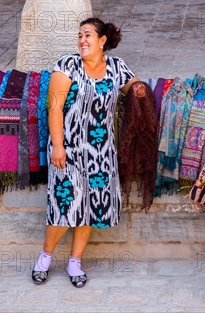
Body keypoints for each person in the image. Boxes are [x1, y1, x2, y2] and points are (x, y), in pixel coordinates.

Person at [32, 18, 138, 288]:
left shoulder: (116, 67)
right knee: (65, 204)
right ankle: (45, 257)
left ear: (103, 41)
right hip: (68, 148)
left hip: (102, 151)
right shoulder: (68, 65)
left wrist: (146, 94)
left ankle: (75, 262)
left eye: (88, 35)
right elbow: (53, 106)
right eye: (80, 35)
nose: (82, 40)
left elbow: (137, 91)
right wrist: (58, 145)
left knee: (91, 206)